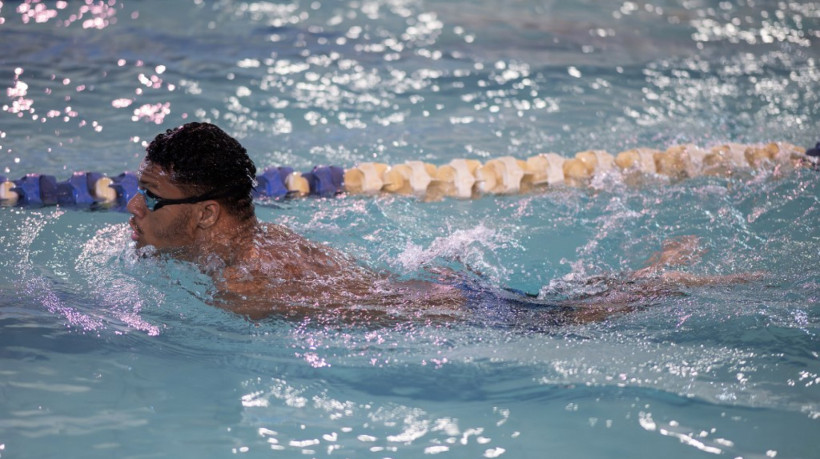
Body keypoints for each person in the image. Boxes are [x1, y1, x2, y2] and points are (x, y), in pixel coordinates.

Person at [127, 122, 756, 324]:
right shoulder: (260, 241)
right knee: (575, 304)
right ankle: (663, 272)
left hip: (456, 307)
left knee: (576, 317)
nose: (135, 209)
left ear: (207, 213)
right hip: (446, 291)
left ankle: (689, 279)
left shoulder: (243, 288)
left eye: (152, 199)